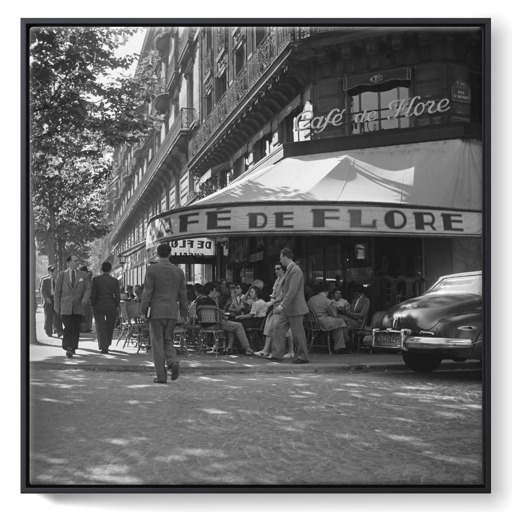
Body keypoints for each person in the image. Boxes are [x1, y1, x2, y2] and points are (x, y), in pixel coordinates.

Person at [141, 243, 189, 384]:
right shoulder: (179, 271)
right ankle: (173, 362)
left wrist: (143, 311)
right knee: (168, 339)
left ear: (157, 253)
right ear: (170, 254)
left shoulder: (152, 269)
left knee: (157, 342)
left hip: (156, 311)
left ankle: (161, 376)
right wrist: (185, 312)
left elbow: (147, 292)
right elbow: (183, 294)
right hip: (172, 312)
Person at [272, 248, 309, 364]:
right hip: (289, 308)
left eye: (280, 258)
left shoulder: (295, 270)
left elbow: (292, 291)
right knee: (278, 328)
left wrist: (281, 306)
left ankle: (303, 357)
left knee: (298, 334)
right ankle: (277, 354)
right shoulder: (291, 269)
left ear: (285, 257)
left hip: (295, 308)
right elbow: (287, 291)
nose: (280, 260)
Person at [195, 282, 254, 355]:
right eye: (214, 290)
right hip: (216, 324)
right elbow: (217, 313)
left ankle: (229, 347)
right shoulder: (211, 301)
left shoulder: (199, 300)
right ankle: (247, 348)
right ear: (211, 291)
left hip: (203, 324)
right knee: (239, 326)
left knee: (232, 326)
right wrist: (224, 316)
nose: (215, 292)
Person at [54, 254, 92, 358]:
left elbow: (88, 289)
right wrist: (56, 306)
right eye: (75, 261)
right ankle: (68, 347)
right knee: (68, 326)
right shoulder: (61, 275)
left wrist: (85, 299)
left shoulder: (83, 275)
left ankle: (72, 347)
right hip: (65, 306)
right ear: (69, 262)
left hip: (78, 306)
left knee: (75, 328)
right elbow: (57, 292)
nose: (77, 263)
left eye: (77, 261)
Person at [254, 263, 293, 358]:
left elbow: (283, 295)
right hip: (275, 307)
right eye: (275, 269)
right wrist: (271, 301)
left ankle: (291, 351)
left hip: (283, 307)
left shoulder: (286, 280)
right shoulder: (277, 280)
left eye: (278, 269)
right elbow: (274, 294)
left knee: (286, 330)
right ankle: (266, 350)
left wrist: (272, 302)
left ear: (283, 270)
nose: (276, 271)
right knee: (270, 327)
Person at [307, 282, 348, 354]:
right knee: (340, 321)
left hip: (311, 322)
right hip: (322, 322)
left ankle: (340, 344)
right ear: (327, 292)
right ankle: (341, 345)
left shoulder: (311, 299)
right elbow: (334, 315)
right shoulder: (327, 301)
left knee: (338, 324)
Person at [90, 261, 121, 354]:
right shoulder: (114, 281)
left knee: (100, 326)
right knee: (110, 326)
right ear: (110, 269)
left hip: (99, 305)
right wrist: (115, 304)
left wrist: (93, 304)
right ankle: (107, 343)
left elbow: (93, 294)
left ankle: (104, 346)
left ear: (101, 269)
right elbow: (118, 295)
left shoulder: (96, 280)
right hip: (111, 305)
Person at [40, 266, 63, 337]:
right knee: (49, 316)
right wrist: (46, 298)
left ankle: (59, 331)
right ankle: (48, 332)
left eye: (57, 272)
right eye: (56, 272)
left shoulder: (59, 280)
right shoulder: (45, 280)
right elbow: (42, 290)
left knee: (58, 316)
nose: (57, 273)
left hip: (57, 300)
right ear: (51, 273)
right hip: (48, 300)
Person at [80, 266, 94, 333]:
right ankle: (83, 328)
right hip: (83, 299)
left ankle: (87, 327)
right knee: (83, 314)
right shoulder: (81, 278)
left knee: (88, 314)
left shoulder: (87, 279)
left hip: (88, 299)